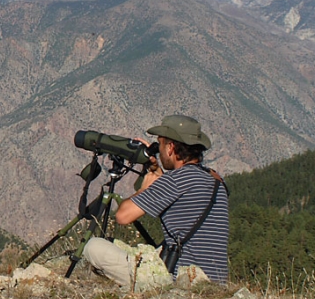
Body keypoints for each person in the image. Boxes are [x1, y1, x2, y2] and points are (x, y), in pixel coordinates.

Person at [82, 114, 229, 287]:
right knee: (115, 245)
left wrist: (146, 187)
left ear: (170, 148)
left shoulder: (176, 179)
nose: (158, 150)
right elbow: (178, 193)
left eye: (160, 143)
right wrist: (155, 169)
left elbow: (123, 216)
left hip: (181, 279)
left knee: (93, 246)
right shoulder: (215, 179)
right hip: (215, 279)